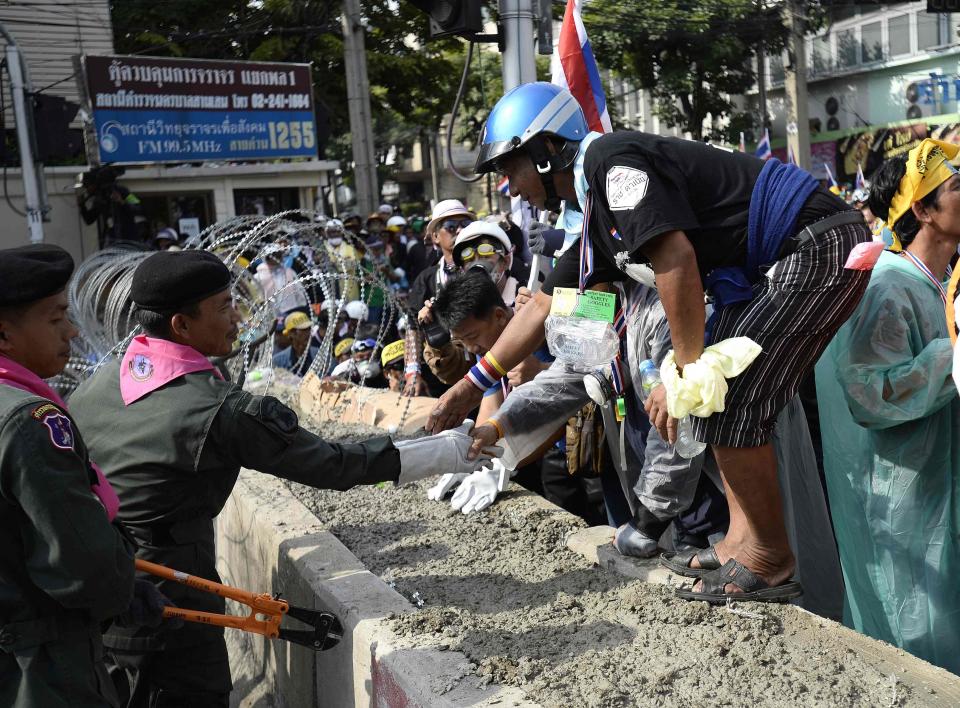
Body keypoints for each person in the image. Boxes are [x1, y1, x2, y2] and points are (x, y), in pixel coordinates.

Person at [431, 81, 876, 603]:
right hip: (795, 258)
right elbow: (544, 308)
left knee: (721, 391)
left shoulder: (613, 163)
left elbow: (675, 261)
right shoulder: (597, 217)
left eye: (510, 168)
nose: (509, 186)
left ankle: (769, 558)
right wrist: (469, 387)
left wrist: (686, 374)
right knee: (715, 396)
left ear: (547, 149)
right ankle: (741, 542)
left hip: (818, 246)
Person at [67, 250, 494, 707]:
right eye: (224, 307)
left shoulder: (94, 387)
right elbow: (333, 465)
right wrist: (444, 451)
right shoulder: (213, 408)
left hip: (102, 594)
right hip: (175, 605)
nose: (238, 317)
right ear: (181, 326)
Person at [0, 245, 170, 708]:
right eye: (56, 318)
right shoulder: (29, 422)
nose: (73, 332)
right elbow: (81, 563)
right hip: (42, 669)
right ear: (4, 335)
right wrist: (119, 589)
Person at [816, 141, 960, 672]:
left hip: (941, 487)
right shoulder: (886, 287)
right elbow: (870, 394)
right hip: (904, 502)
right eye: (955, 187)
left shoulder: (944, 283)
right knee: (917, 628)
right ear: (922, 210)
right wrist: (955, 353)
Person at [402, 200, 476, 397]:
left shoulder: (483, 268)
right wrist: (412, 373)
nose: (459, 231)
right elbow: (412, 327)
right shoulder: (427, 279)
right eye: (451, 227)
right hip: (443, 367)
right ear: (435, 236)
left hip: (482, 365)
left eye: (465, 225)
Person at [272, 312, 318, 377]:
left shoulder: (320, 355)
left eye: (309, 329)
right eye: (304, 329)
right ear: (291, 333)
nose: (308, 333)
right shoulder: (278, 361)